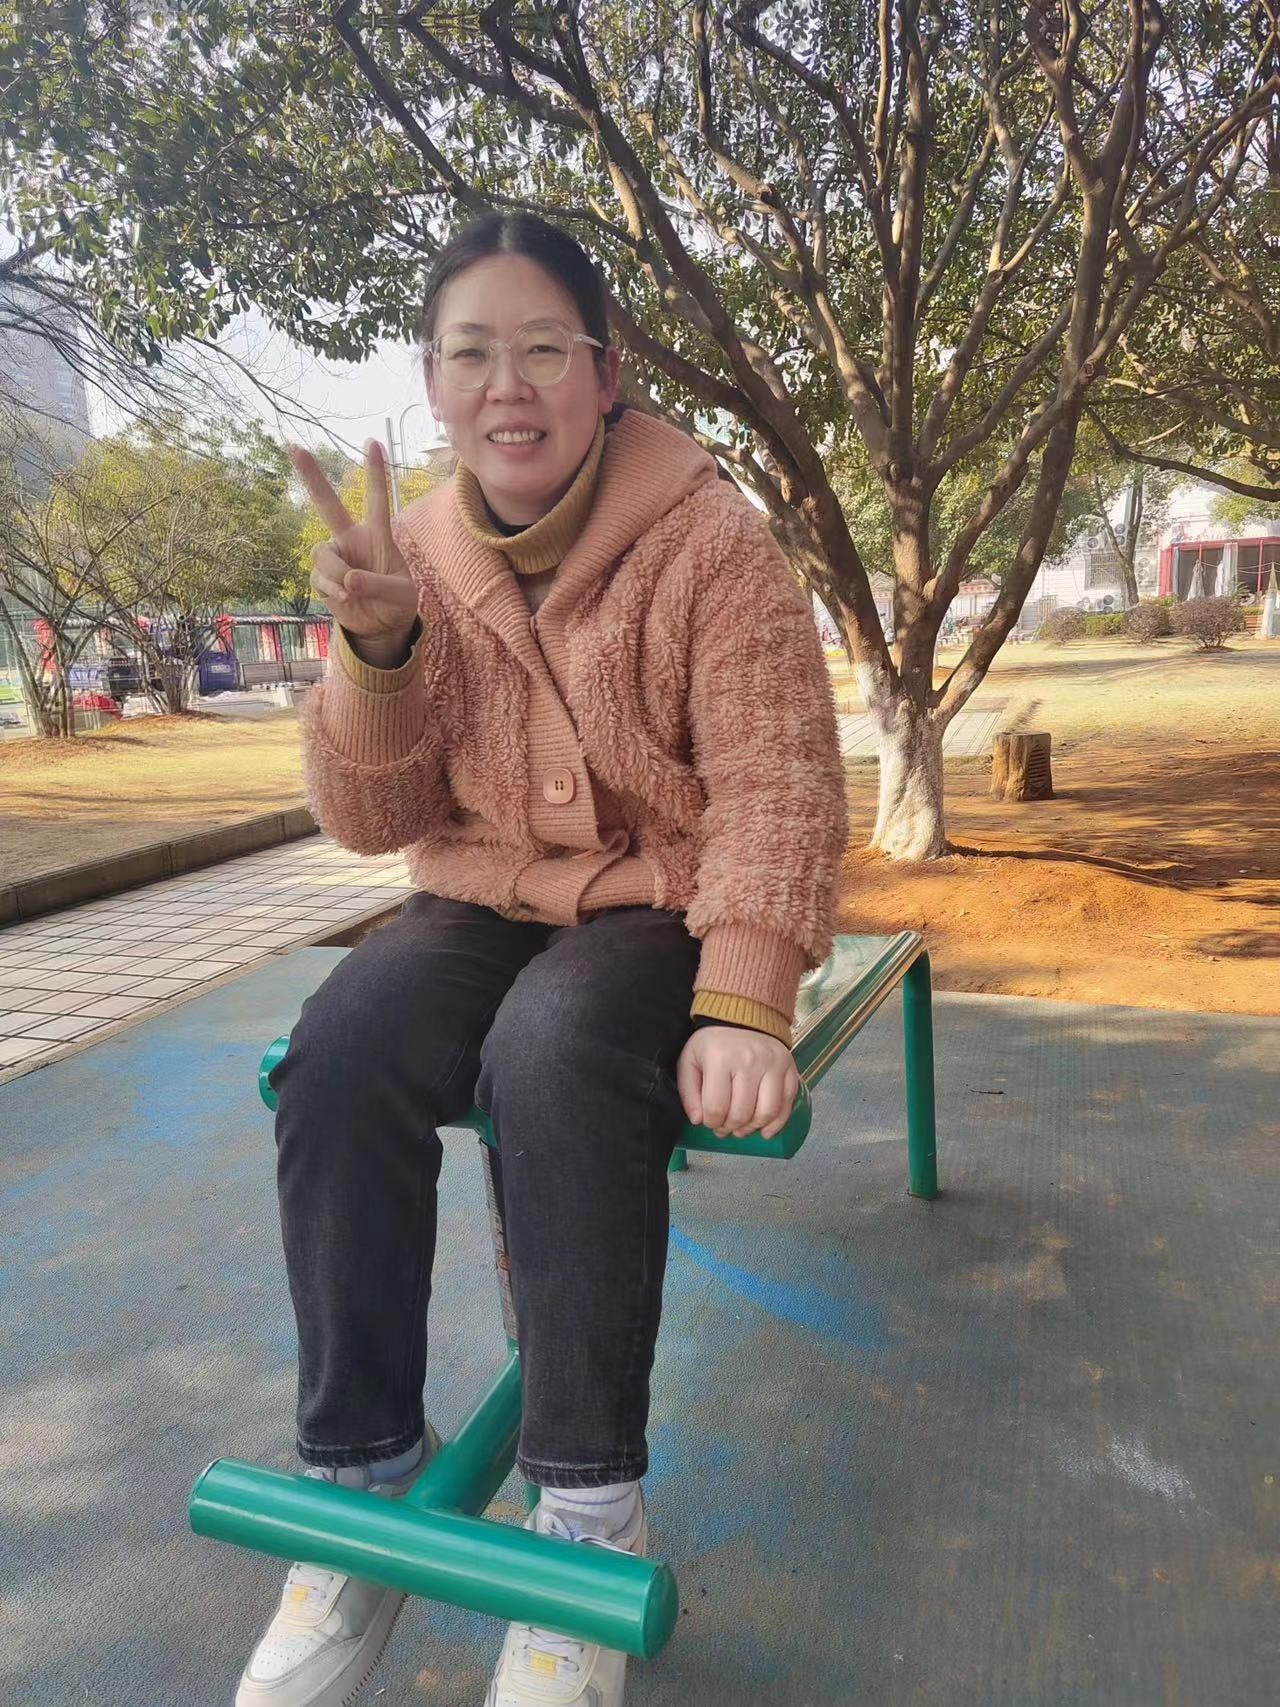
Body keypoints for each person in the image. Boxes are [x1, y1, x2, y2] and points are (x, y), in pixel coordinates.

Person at [236, 213, 848, 1707]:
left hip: (657, 895)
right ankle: (367, 1473)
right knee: (338, 1053)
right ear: (433, 386)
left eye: (542, 350)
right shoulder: (412, 561)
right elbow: (376, 823)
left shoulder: (710, 539)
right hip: (483, 891)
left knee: (555, 1054)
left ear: (605, 374)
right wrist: (378, 654)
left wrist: (747, 996)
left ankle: (583, 1508)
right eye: (471, 354)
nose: (507, 385)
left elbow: (777, 779)